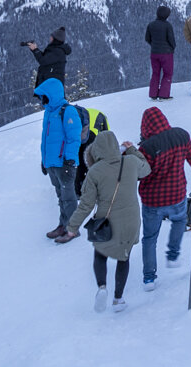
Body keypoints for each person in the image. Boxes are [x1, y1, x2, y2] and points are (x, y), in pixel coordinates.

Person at [63, 130, 150, 312]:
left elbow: (86, 204)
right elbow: (147, 168)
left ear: (97, 150)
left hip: (106, 222)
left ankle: (102, 287)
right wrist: (132, 149)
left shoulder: (94, 172)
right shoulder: (131, 162)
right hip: (131, 221)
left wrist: (72, 227)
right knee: (123, 258)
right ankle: (118, 299)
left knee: (100, 255)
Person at [136, 105, 191, 290]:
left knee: (150, 238)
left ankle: (149, 278)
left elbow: (139, 174)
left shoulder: (147, 147)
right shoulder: (181, 136)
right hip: (176, 195)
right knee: (180, 221)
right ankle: (173, 254)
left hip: (152, 201)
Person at [34, 77, 83, 242]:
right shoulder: (49, 113)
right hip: (52, 164)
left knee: (69, 197)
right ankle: (63, 225)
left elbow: (73, 139)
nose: (42, 99)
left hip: (64, 163)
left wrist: (70, 160)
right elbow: (46, 141)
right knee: (61, 196)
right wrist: (44, 161)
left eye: (44, 96)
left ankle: (72, 229)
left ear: (52, 94)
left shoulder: (67, 111)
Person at [144, 5, 178, 100]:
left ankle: (153, 94)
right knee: (167, 73)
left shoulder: (151, 25)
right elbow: (171, 40)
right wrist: (172, 48)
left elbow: (147, 38)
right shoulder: (167, 25)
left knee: (155, 73)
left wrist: (153, 45)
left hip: (154, 53)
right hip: (166, 54)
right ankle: (163, 95)